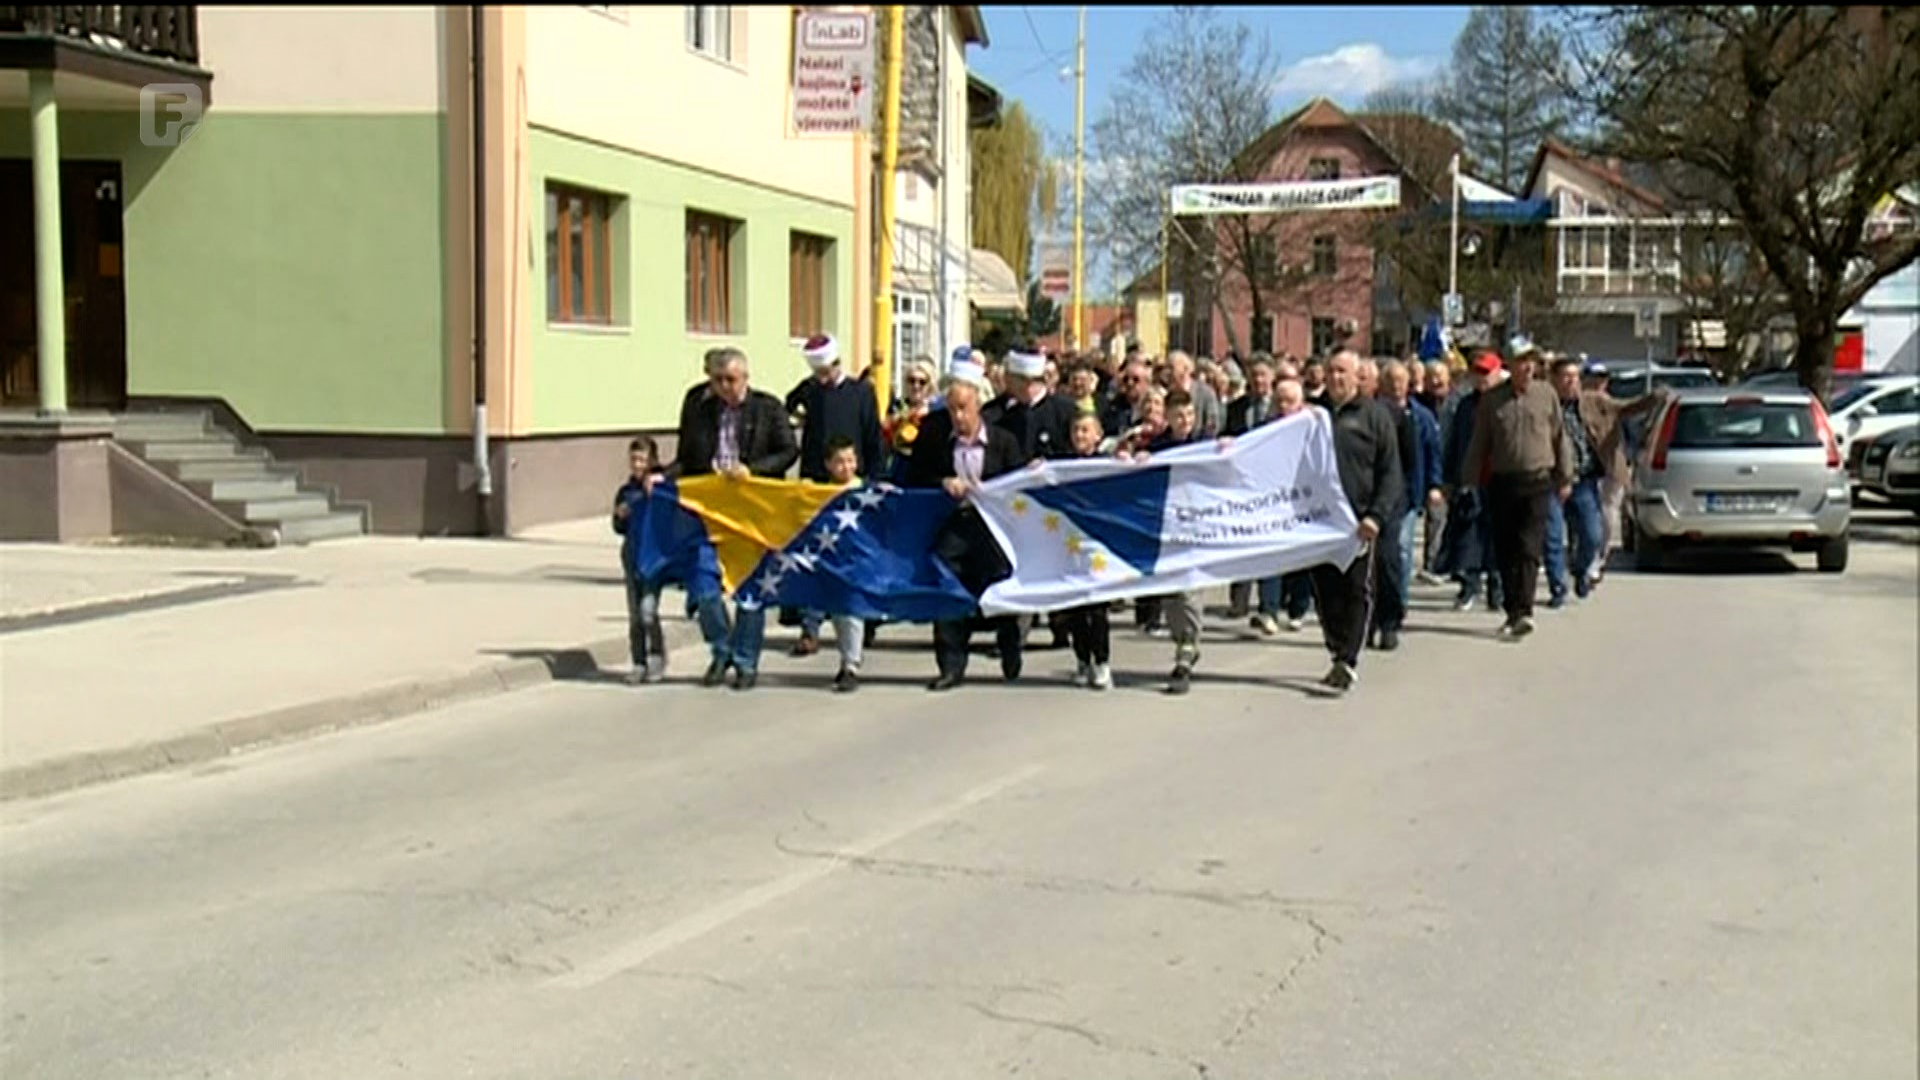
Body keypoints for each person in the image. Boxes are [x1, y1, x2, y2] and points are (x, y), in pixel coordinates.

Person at [661, 346, 799, 689]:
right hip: (711, 515)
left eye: (731, 380)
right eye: (718, 380)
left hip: (752, 514)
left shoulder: (768, 408)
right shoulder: (699, 408)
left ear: (745, 378)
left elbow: (788, 451)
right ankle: (721, 651)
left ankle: (746, 662)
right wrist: (661, 477)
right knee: (705, 590)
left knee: (750, 594)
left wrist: (752, 471)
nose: (724, 387)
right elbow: (687, 458)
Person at [905, 362, 1026, 691]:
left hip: (992, 529)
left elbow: (1019, 483)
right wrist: (942, 481)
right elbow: (914, 475)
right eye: (952, 409)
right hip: (953, 523)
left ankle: (1009, 641)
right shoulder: (933, 434)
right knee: (946, 588)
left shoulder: (1003, 440)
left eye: (963, 408)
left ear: (977, 405)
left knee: (997, 587)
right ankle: (951, 664)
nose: (958, 417)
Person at [1463, 344, 1574, 639]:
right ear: (1509, 365)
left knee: (1528, 547)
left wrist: (1565, 477)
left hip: (1538, 481)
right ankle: (1513, 610)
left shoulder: (1546, 394)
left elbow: (1559, 437)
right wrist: (1468, 481)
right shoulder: (1492, 400)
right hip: (1503, 482)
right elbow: (1479, 444)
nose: (1526, 368)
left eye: (1531, 363)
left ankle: (1524, 611)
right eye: (1520, 362)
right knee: (1506, 550)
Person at [1310, 350, 1404, 694]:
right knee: (1326, 593)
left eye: (1343, 372)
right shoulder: (1311, 414)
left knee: (1355, 589)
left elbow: (1390, 472)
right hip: (1318, 523)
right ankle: (1337, 648)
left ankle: (1348, 658)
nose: (1336, 378)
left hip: (1358, 521)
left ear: (1357, 377)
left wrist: (1376, 516)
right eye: (1331, 371)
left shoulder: (1375, 417)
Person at [1140, 390, 1217, 694]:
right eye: (1178, 416)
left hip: (1197, 527)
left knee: (1190, 591)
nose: (1185, 421)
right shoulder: (1158, 446)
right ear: (1167, 417)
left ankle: (1187, 648)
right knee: (1171, 593)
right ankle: (1182, 640)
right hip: (1166, 527)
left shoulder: (1205, 445)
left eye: (1189, 415)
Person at [1371, 360, 1443, 652]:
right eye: (1391, 380)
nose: (1397, 386)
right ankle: (1374, 613)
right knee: (1377, 558)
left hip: (1406, 495)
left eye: (1401, 380)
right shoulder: (1372, 413)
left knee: (1399, 551)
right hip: (1372, 495)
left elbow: (1431, 453)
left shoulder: (1421, 417)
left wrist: (1434, 486)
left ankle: (1395, 608)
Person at [1224, 358, 1285, 631]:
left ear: (1272, 377)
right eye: (1254, 375)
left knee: (1270, 549)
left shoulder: (1282, 409)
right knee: (1241, 546)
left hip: (1273, 489)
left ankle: (1269, 608)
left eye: (1263, 375)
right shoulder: (1236, 408)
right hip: (1243, 487)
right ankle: (1238, 599)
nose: (1259, 381)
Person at [1061, 413, 1115, 691]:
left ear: (1098, 435)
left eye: (1086, 430)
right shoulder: (1062, 466)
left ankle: (1102, 662)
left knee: (1097, 608)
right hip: (1070, 544)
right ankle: (1082, 659)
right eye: (1076, 430)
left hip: (1098, 545)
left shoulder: (1107, 464)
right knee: (1076, 609)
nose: (1080, 435)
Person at [611, 436, 668, 686]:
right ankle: (638, 662)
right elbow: (618, 526)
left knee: (648, 611)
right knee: (635, 615)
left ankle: (657, 654)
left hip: (653, 558)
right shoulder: (626, 492)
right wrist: (620, 516)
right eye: (633, 459)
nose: (637, 464)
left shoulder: (660, 489)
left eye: (642, 460)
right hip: (632, 556)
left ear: (652, 461)